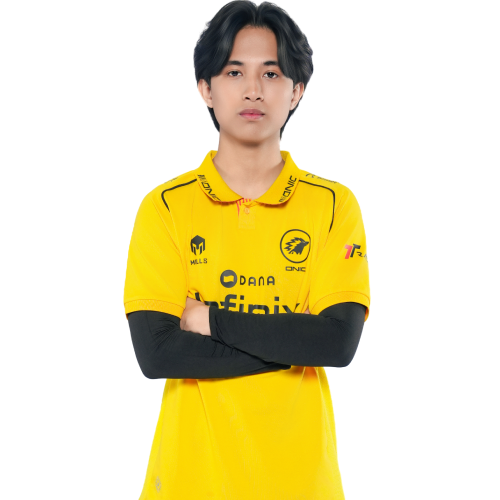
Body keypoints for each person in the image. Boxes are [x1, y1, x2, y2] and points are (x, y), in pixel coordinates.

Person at [123, 1, 371, 498]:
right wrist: (294, 339)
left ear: (296, 91)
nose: (253, 89)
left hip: (302, 484)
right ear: (205, 88)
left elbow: (338, 345)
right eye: (234, 71)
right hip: (189, 483)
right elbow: (157, 354)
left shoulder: (333, 205)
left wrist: (208, 320)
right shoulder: (164, 207)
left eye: (271, 73)